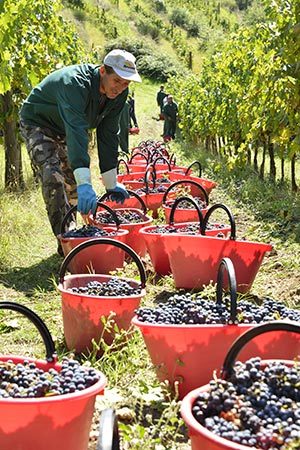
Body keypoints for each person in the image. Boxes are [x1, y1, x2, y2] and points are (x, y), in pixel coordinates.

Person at [19, 49, 142, 255]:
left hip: (64, 126)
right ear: (103, 71)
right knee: (53, 175)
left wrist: (111, 182)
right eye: (117, 81)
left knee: (73, 181)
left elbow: (109, 133)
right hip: (38, 122)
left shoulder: (119, 95)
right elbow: (76, 129)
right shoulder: (74, 84)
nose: (120, 88)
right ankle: (66, 242)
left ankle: (79, 234)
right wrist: (87, 183)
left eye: (126, 83)